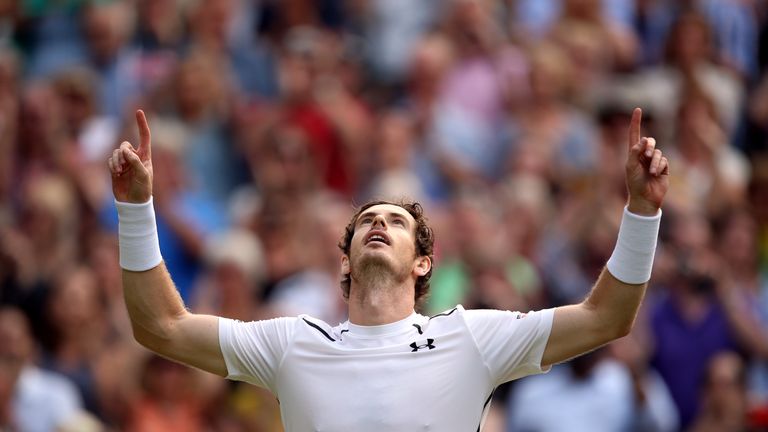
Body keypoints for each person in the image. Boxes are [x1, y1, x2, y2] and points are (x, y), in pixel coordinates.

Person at [107, 108, 669, 431]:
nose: (378, 223)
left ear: (424, 262)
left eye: (396, 222)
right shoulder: (291, 341)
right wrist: (136, 208)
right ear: (346, 257)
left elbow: (606, 317)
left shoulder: (472, 335)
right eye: (366, 221)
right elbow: (162, 327)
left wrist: (642, 211)